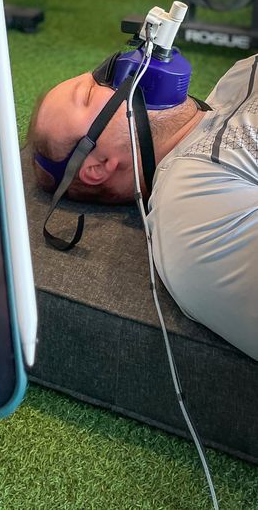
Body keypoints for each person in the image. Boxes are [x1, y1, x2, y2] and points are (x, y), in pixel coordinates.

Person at [28, 53, 258, 361]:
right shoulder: (196, 217)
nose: (119, 67)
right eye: (89, 93)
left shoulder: (235, 80)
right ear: (98, 167)